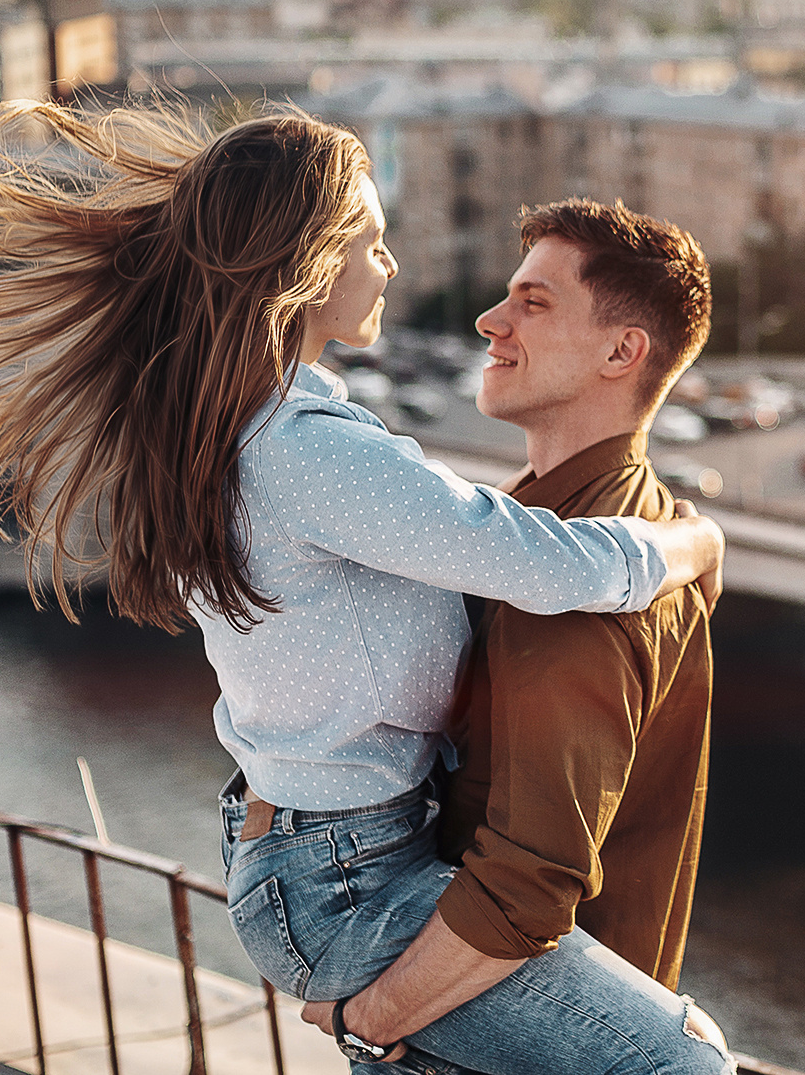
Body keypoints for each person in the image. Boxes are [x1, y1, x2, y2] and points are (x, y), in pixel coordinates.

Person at [0, 76, 728, 1075]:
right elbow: (537, 561)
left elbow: (461, 535)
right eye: (372, 242)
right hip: (345, 875)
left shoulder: (265, 426)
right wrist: (692, 548)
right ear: (310, 263)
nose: (390, 267)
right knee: (680, 1065)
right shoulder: (309, 452)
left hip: (324, 856)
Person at [296, 200, 729, 1073]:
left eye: (534, 301)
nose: (491, 320)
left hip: (493, 1032)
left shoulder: (569, 593)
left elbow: (531, 883)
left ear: (622, 351)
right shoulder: (599, 531)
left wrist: (373, 1015)